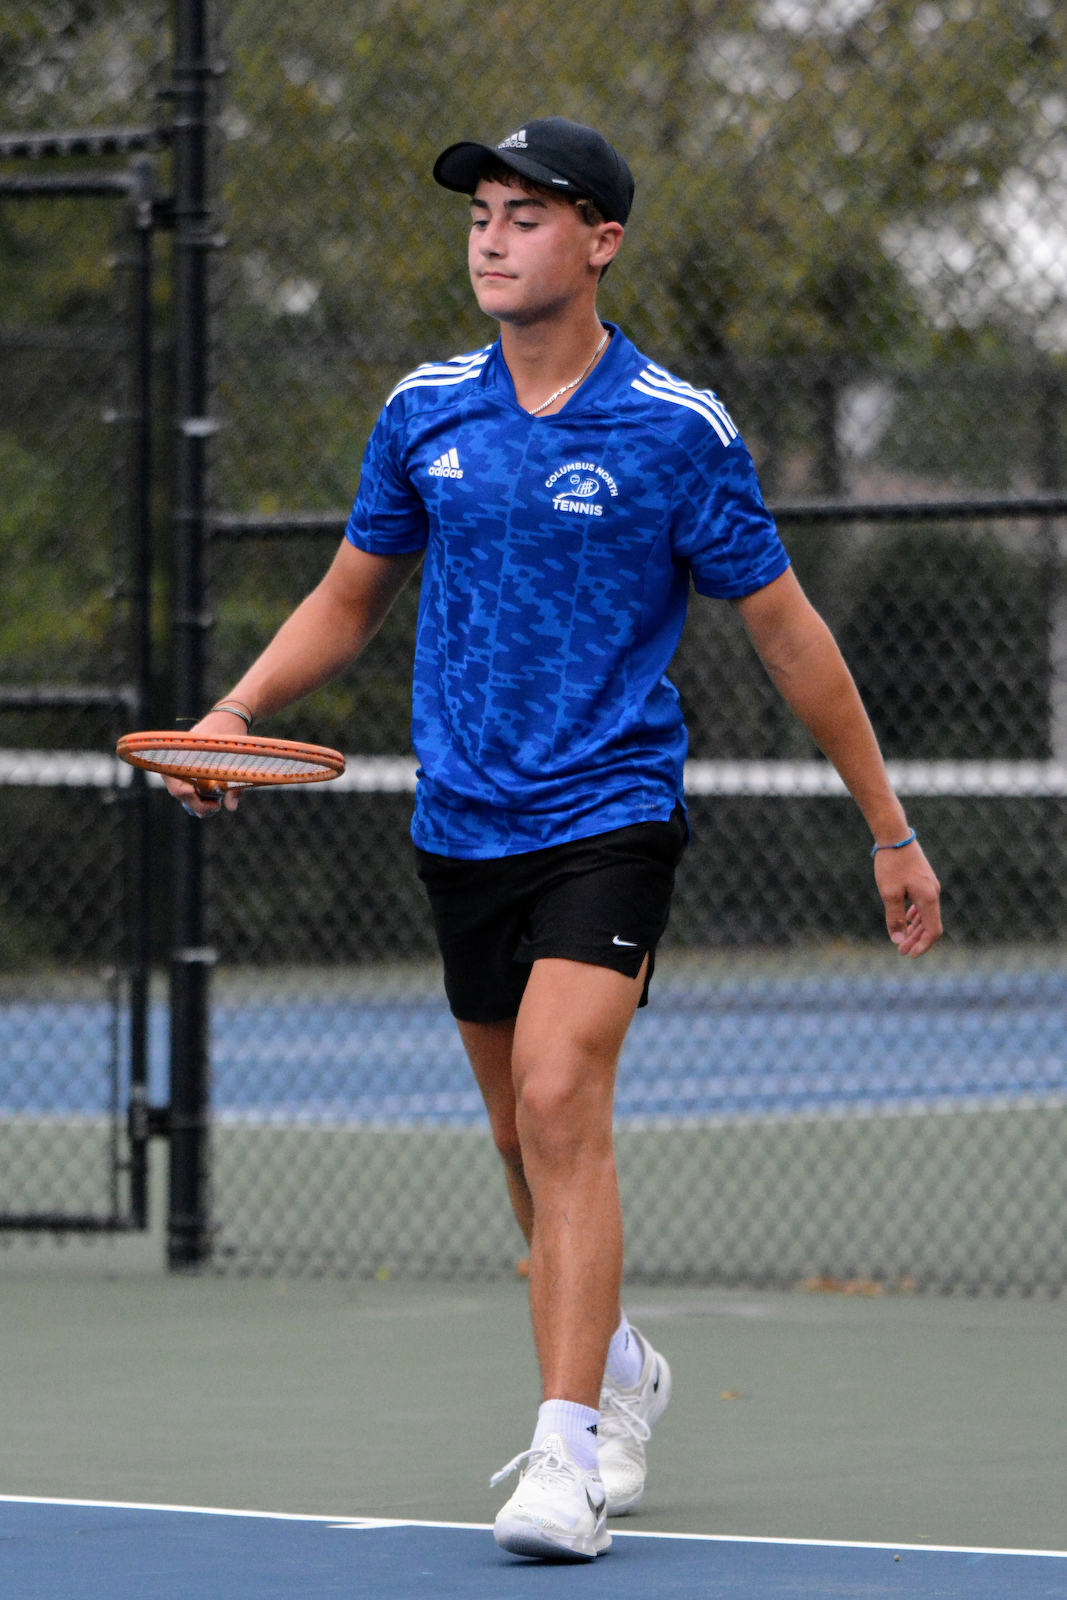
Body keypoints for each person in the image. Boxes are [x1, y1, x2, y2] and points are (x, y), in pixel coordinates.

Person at [166, 117, 942, 1563]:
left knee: (557, 1092)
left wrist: (888, 829)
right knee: (520, 1135)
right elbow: (346, 599)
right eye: (482, 214)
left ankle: (568, 1454)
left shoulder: (677, 430)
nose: (492, 237)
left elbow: (788, 637)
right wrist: (234, 711)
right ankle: (620, 1360)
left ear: (601, 243)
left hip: (610, 815)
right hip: (461, 824)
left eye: (528, 214)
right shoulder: (425, 413)